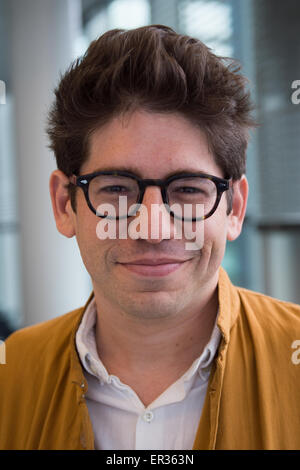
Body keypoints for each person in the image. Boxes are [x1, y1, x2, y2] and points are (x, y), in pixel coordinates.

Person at [0, 24, 300, 451]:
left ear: (233, 208)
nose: (152, 228)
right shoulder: (12, 372)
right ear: (66, 204)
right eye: (117, 188)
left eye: (189, 189)